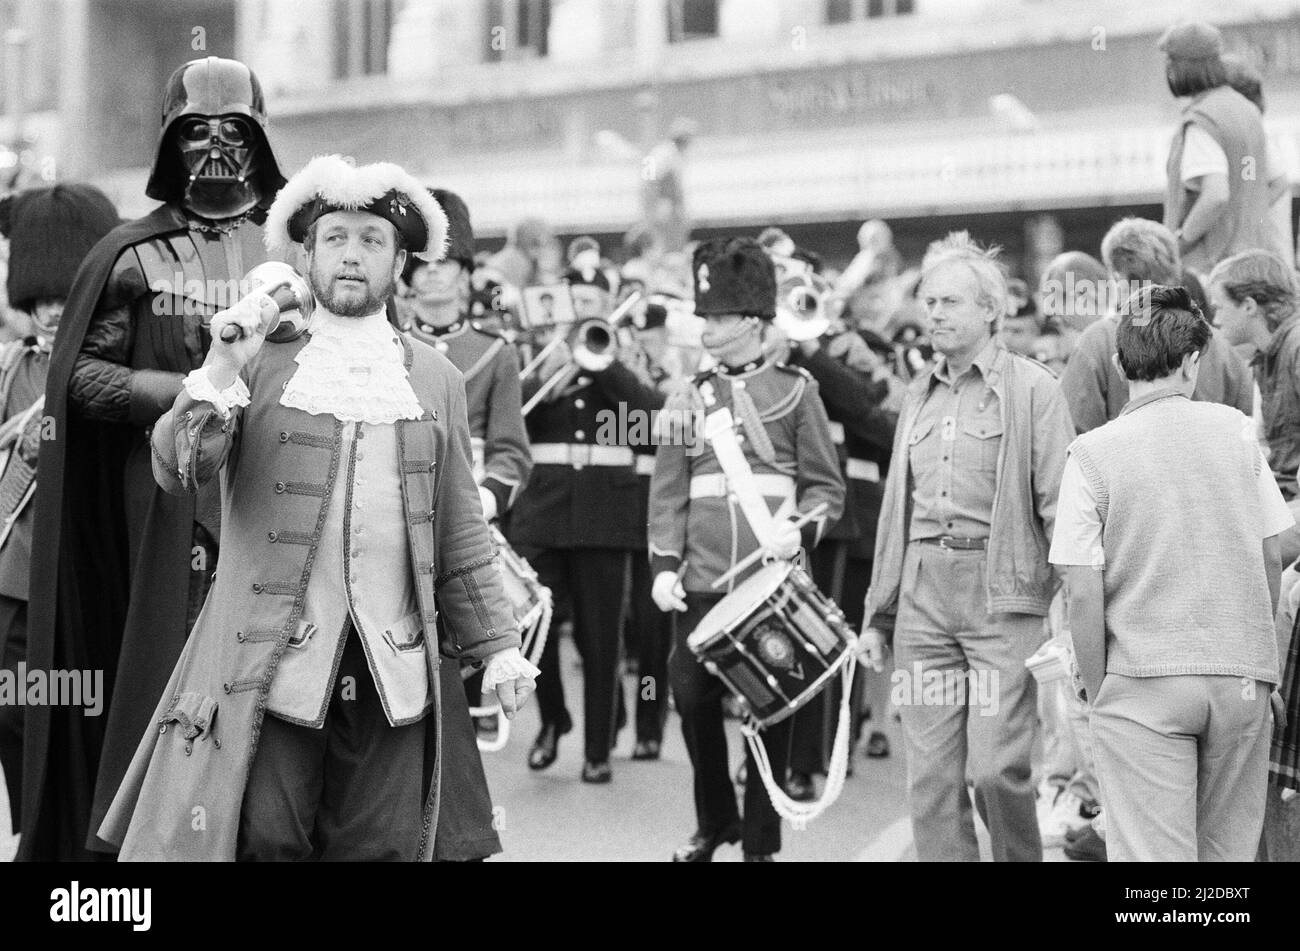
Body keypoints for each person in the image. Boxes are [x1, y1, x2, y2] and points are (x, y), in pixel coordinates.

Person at [96, 154, 537, 861]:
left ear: (400, 264)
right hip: (268, 667)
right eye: (336, 239)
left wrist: (500, 646)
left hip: (393, 669)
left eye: (372, 241)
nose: (352, 256)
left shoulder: (438, 378)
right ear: (307, 254)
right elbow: (178, 467)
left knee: (383, 846)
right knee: (268, 839)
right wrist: (219, 367)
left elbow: (460, 531)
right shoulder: (263, 361)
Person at [21, 57, 287, 861]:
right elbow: (81, 378)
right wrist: (192, 388)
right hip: (158, 495)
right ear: (169, 140)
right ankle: (133, 843)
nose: (213, 144)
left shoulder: (291, 249)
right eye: (194, 128)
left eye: (232, 128)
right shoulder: (129, 253)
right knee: (154, 670)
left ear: (259, 137)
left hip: (268, 486)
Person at [1050, 284, 1292, 861]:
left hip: (1142, 681)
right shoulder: (1235, 432)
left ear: (1117, 362)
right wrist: (1266, 667)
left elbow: (1081, 592)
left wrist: (1096, 685)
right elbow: (1272, 553)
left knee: (1154, 867)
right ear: (1193, 360)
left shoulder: (1091, 454)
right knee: (1225, 862)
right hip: (1238, 678)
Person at [859, 232, 1075, 862]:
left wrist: (1068, 605)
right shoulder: (917, 396)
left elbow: (1063, 505)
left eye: (950, 301)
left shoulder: (1034, 389)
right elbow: (897, 512)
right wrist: (880, 612)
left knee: (995, 772)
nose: (935, 313)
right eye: (928, 301)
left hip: (1001, 598)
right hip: (923, 599)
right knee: (929, 781)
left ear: (991, 310)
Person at [649, 236, 844, 862]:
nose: (709, 326)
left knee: (772, 704)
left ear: (757, 321)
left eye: (722, 316)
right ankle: (716, 821)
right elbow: (668, 491)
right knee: (688, 691)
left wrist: (803, 529)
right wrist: (663, 563)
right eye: (705, 315)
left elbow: (824, 486)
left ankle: (759, 842)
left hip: (773, 572)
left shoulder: (797, 390)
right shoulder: (688, 394)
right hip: (704, 576)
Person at [396, 187, 531, 860]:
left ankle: (451, 825)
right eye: (423, 265)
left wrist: (483, 493)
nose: (436, 275)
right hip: (397, 523)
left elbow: (511, 449)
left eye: (448, 263)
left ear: (466, 272)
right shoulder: (390, 346)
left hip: (465, 522)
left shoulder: (494, 353)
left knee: (444, 679)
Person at [510, 262, 663, 782]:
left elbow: (652, 425)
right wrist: (544, 373)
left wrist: (603, 366)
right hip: (542, 512)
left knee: (601, 639)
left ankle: (597, 749)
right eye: (580, 304)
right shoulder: (535, 357)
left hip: (605, 517)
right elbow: (506, 419)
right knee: (535, 627)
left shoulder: (623, 365)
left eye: (596, 305)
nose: (586, 315)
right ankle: (553, 718)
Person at [0, 183, 120, 837]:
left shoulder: (119, 361)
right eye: (39, 296)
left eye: (64, 292)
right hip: (16, 581)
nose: (51, 309)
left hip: (91, 573)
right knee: (17, 713)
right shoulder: (10, 368)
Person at [1059, 217, 1252, 434]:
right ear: (1174, 270)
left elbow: (1072, 428)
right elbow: (1245, 425)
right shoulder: (1219, 343)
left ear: (1116, 276)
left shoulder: (1098, 341)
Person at [1159, 22, 1278, 275]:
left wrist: (1177, 245)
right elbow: (1274, 183)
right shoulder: (1246, 110)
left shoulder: (1202, 120)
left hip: (1211, 272)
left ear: (1183, 66)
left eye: (1171, 62)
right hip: (1252, 266)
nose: (1168, 70)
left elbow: (1215, 196)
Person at [1207, 250, 1300, 498]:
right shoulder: (1263, 356)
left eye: (1219, 307)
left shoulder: (1296, 347)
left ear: (1248, 306)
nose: (1215, 320)